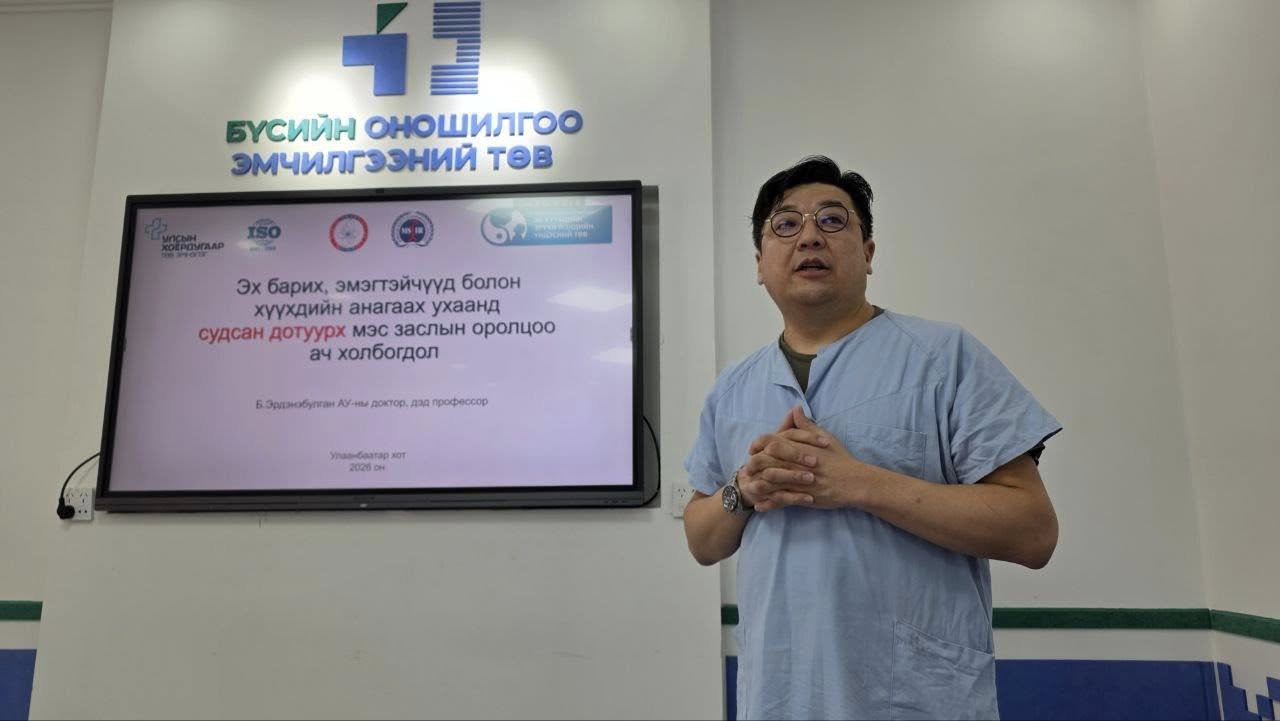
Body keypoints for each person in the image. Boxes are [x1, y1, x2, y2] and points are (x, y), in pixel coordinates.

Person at [682, 156, 1061, 720]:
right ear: (760, 264)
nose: (809, 235)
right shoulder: (732, 388)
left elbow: (1033, 533)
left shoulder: (943, 358)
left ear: (868, 252)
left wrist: (859, 484)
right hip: (780, 696)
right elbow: (702, 540)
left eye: (832, 220)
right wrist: (743, 489)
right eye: (785, 224)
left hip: (914, 699)